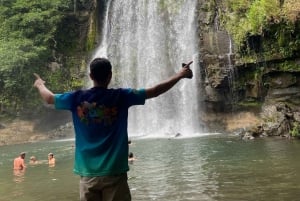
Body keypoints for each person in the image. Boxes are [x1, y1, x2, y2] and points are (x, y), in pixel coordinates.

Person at [33, 57, 193, 201]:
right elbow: (155, 91)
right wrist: (180, 74)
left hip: (88, 174)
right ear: (110, 75)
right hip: (115, 173)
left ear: (90, 76)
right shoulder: (121, 96)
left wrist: (40, 84)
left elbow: (48, 98)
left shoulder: (76, 98)